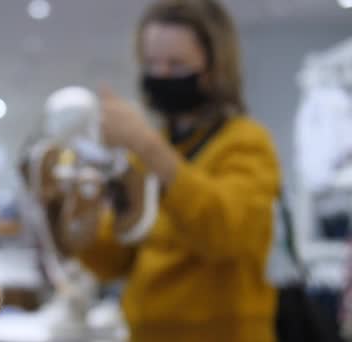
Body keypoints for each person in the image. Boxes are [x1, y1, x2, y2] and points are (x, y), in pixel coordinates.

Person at [77, 0, 281, 341]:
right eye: (153, 63)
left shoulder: (246, 141)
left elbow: (227, 234)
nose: (162, 76)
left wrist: (147, 145)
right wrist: (69, 211)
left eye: (176, 64)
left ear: (216, 68)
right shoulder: (151, 151)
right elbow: (112, 258)